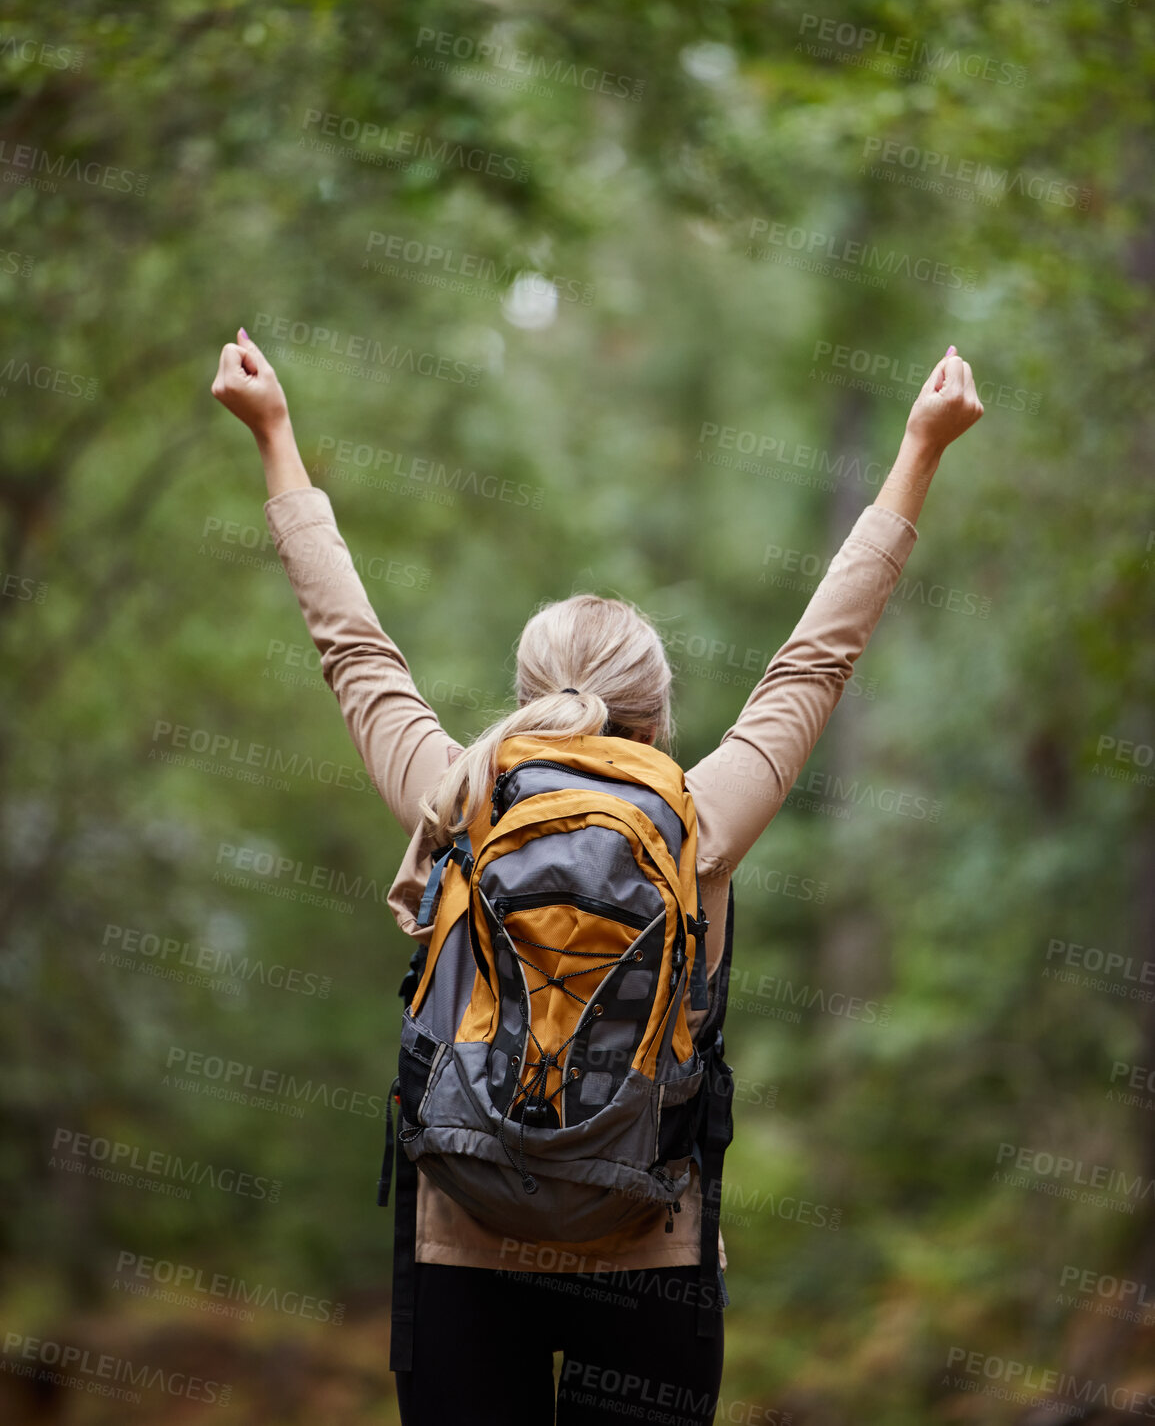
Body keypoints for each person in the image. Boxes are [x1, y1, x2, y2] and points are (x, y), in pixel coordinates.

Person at [210, 329, 983, 1425]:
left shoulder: (460, 793)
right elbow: (820, 654)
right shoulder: (698, 815)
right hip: (649, 1245)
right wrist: (921, 448)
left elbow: (355, 649)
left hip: (463, 1241)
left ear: (526, 696)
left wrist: (276, 436)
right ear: (657, 714)